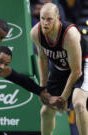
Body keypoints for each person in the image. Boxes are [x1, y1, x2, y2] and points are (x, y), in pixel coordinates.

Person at [30, 3, 88, 135]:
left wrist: (63, 98)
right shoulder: (36, 33)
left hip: (83, 65)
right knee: (45, 111)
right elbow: (43, 59)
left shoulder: (70, 35)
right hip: (60, 67)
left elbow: (77, 71)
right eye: (42, 18)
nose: (45, 23)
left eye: (49, 19)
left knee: (78, 104)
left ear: (58, 18)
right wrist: (43, 89)